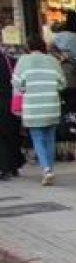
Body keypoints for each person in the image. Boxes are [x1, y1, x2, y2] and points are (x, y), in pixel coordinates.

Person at [11, 37, 64, 185]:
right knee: (50, 139)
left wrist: (27, 88)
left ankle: (46, 170)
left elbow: (17, 83)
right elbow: (62, 83)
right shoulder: (53, 61)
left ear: (28, 47)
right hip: (51, 105)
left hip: (33, 107)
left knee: (38, 138)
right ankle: (50, 169)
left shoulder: (23, 61)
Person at [0, 43, 23, 179]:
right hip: (10, 100)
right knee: (13, 133)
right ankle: (14, 165)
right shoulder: (9, 60)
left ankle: (4, 167)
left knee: (2, 137)